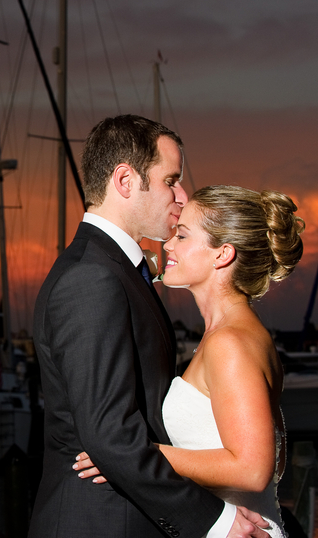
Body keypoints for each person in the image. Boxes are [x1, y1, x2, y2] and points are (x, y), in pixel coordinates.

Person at [27, 115, 270, 538]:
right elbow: (108, 436)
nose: (182, 194)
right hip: (101, 521)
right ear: (125, 180)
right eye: (170, 180)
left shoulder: (113, 270)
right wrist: (215, 519)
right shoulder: (91, 278)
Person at [75, 185, 304, 538]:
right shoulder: (230, 335)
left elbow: (254, 468)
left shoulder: (231, 343)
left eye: (182, 235)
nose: (168, 244)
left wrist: (133, 457)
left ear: (222, 254)